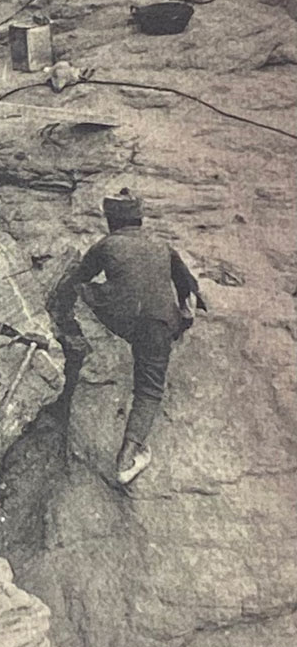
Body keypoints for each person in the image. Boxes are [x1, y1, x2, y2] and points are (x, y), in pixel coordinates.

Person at [49, 188, 205, 484]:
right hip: (159, 326)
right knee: (149, 390)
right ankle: (127, 459)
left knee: (83, 287)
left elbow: (79, 277)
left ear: (111, 221)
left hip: (122, 318)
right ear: (140, 219)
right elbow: (189, 286)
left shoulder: (107, 245)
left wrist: (64, 302)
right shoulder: (162, 245)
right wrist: (184, 319)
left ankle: (126, 461)